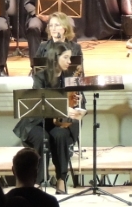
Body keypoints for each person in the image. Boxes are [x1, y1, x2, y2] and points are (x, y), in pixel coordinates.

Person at [12, 41, 85, 194]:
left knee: (60, 135)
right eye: (66, 57)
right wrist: (62, 107)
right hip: (38, 121)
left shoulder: (70, 78)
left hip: (60, 123)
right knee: (42, 137)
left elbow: (81, 101)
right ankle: (38, 182)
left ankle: (61, 179)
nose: (69, 62)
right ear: (55, 58)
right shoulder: (40, 77)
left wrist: (79, 100)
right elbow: (38, 103)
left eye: (70, 58)